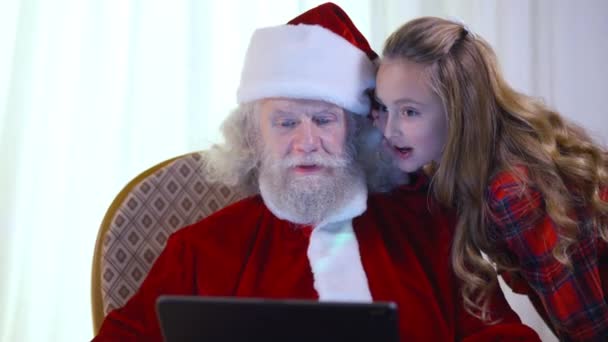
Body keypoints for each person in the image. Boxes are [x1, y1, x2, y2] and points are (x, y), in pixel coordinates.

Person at [93, 4, 540, 341]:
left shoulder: (432, 227)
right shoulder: (201, 250)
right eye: (285, 122)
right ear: (253, 136)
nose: (306, 142)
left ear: (359, 130)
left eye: (324, 120)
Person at [372, 16, 608, 341]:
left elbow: (590, 328)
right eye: (383, 107)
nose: (389, 129)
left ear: (457, 111)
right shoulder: (458, 164)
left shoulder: (513, 190)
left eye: (409, 111)